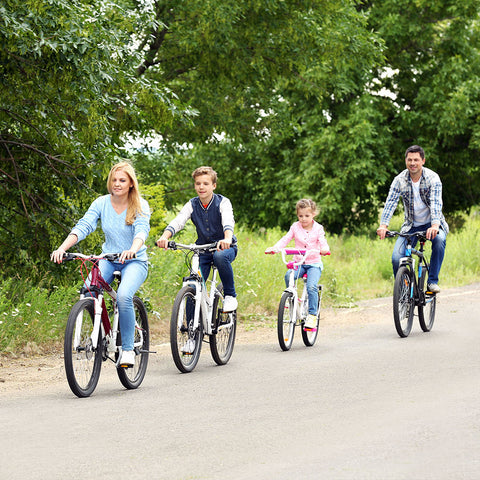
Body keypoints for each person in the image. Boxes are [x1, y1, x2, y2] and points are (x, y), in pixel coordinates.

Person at [51, 161, 151, 368]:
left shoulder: (140, 204)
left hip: (134, 261)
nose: (117, 184)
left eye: (122, 180)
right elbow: (84, 225)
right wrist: (62, 248)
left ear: (131, 183)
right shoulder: (101, 203)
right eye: (114, 180)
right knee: (89, 291)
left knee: (123, 296)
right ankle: (100, 331)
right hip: (108, 258)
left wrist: (133, 248)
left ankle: (128, 349)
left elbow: (141, 230)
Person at [156, 166, 238, 313]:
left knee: (220, 256)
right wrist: (164, 237)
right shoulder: (192, 204)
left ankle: (230, 295)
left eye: (206, 184)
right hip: (203, 250)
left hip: (225, 247)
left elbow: (228, 221)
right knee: (193, 286)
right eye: (198, 183)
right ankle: (191, 332)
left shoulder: (223, 202)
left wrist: (226, 238)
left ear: (214, 186)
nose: (201, 187)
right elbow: (178, 221)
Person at [376, 145, 448, 293]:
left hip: (432, 223)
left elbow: (436, 203)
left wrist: (435, 225)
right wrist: (383, 225)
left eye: (416, 160)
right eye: (410, 160)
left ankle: (432, 281)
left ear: (423, 161)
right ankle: (404, 291)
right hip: (411, 226)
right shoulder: (399, 179)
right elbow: (390, 203)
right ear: (405, 161)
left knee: (440, 240)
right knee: (397, 258)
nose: (413, 163)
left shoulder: (432, 178)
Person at [265, 198, 330, 330]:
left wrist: (325, 249)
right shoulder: (295, 227)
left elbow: (322, 241)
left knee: (311, 287)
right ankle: (291, 299)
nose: (303, 219)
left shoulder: (318, 228)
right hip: (299, 262)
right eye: (300, 216)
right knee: (288, 275)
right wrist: (275, 248)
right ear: (297, 215)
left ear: (313, 214)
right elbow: (286, 239)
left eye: (307, 215)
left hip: (313, 264)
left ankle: (312, 315)